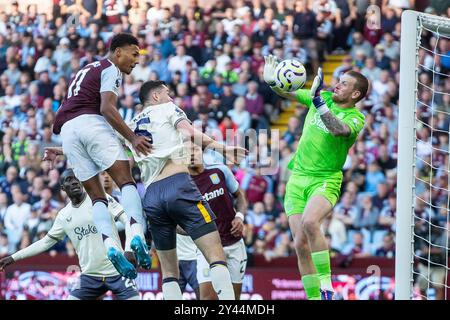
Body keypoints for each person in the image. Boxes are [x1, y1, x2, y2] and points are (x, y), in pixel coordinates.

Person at [43, 33, 152, 279]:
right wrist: (133, 137)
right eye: (134, 53)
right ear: (117, 51)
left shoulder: (85, 69)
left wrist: (63, 150)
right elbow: (106, 108)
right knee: (126, 181)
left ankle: (111, 246)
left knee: (97, 197)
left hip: (68, 132)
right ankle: (136, 236)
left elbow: (76, 117)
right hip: (91, 122)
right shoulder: (111, 68)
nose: (136, 60)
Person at [125, 80, 247, 300]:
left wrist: (62, 150)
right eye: (167, 93)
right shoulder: (167, 108)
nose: (171, 97)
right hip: (178, 185)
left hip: (151, 196)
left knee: (169, 272)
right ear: (156, 96)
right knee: (216, 255)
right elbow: (189, 132)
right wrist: (223, 148)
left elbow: (108, 153)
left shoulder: (131, 125)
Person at [263, 55, 368, 300]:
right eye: (338, 81)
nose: (337, 85)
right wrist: (272, 82)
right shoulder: (325, 98)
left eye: (343, 83)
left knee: (311, 223)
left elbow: (339, 130)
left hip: (326, 179)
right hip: (297, 179)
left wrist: (319, 103)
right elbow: (288, 93)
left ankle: (327, 286)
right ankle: (314, 298)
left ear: (355, 95)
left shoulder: (355, 117)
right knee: (299, 245)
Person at [0, 169, 140, 300]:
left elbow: (128, 220)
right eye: (68, 179)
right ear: (62, 188)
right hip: (89, 277)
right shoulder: (63, 215)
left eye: (76, 178)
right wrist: (13, 257)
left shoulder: (100, 198)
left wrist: (128, 249)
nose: (74, 182)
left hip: (117, 270)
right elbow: (44, 243)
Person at [188, 144, 248, 300]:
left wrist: (240, 216)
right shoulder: (184, 185)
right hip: (206, 248)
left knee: (233, 299)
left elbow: (240, 196)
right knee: (207, 298)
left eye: (194, 150)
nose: (191, 154)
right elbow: (178, 224)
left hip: (234, 244)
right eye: (185, 152)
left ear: (201, 152)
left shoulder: (219, 171)